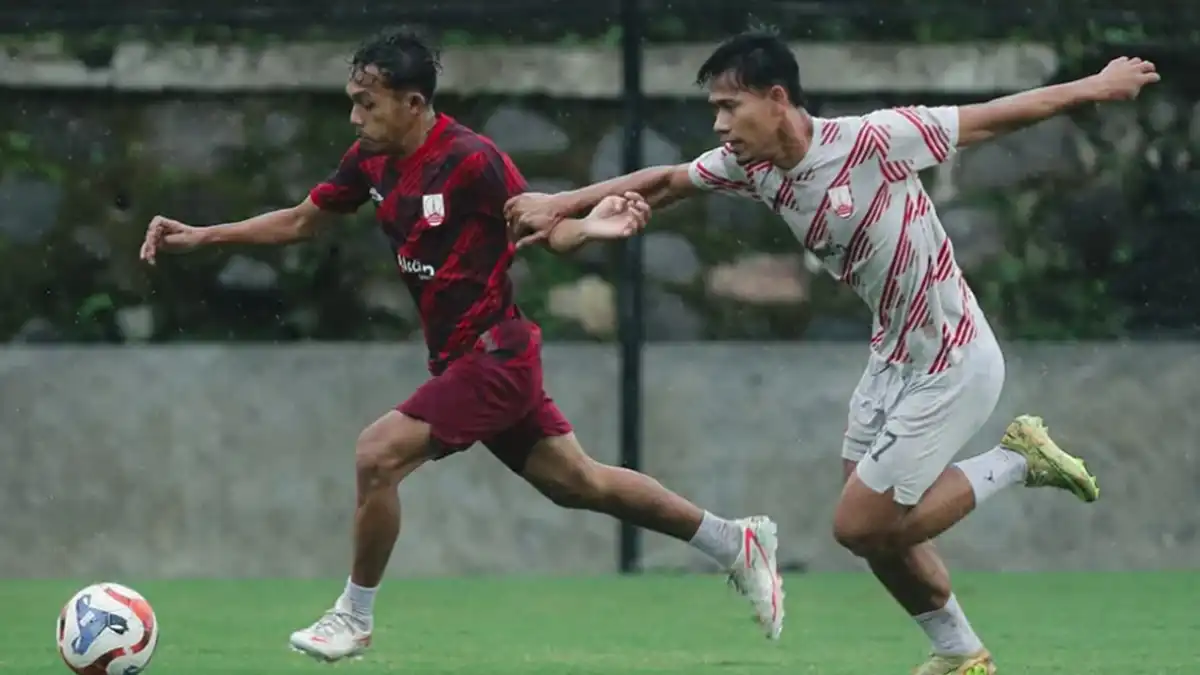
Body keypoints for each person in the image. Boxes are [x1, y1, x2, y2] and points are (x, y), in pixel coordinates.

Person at [506, 28, 1159, 675]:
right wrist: (565, 204)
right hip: (892, 358)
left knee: (860, 526)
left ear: (776, 99)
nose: (720, 124)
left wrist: (1096, 86)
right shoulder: (751, 166)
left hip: (952, 358)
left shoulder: (873, 141)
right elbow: (668, 180)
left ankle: (1016, 459)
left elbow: (992, 118)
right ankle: (963, 652)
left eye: (730, 106)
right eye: (714, 109)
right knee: (875, 529)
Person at [137, 27, 784, 661]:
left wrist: (589, 228)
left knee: (377, 455)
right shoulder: (369, 161)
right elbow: (303, 221)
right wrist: (202, 236)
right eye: (353, 101)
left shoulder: (473, 160)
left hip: (496, 353)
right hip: (461, 359)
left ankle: (353, 617)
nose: (355, 117)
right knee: (578, 482)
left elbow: (542, 226)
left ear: (413, 103)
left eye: (367, 103)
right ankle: (733, 542)